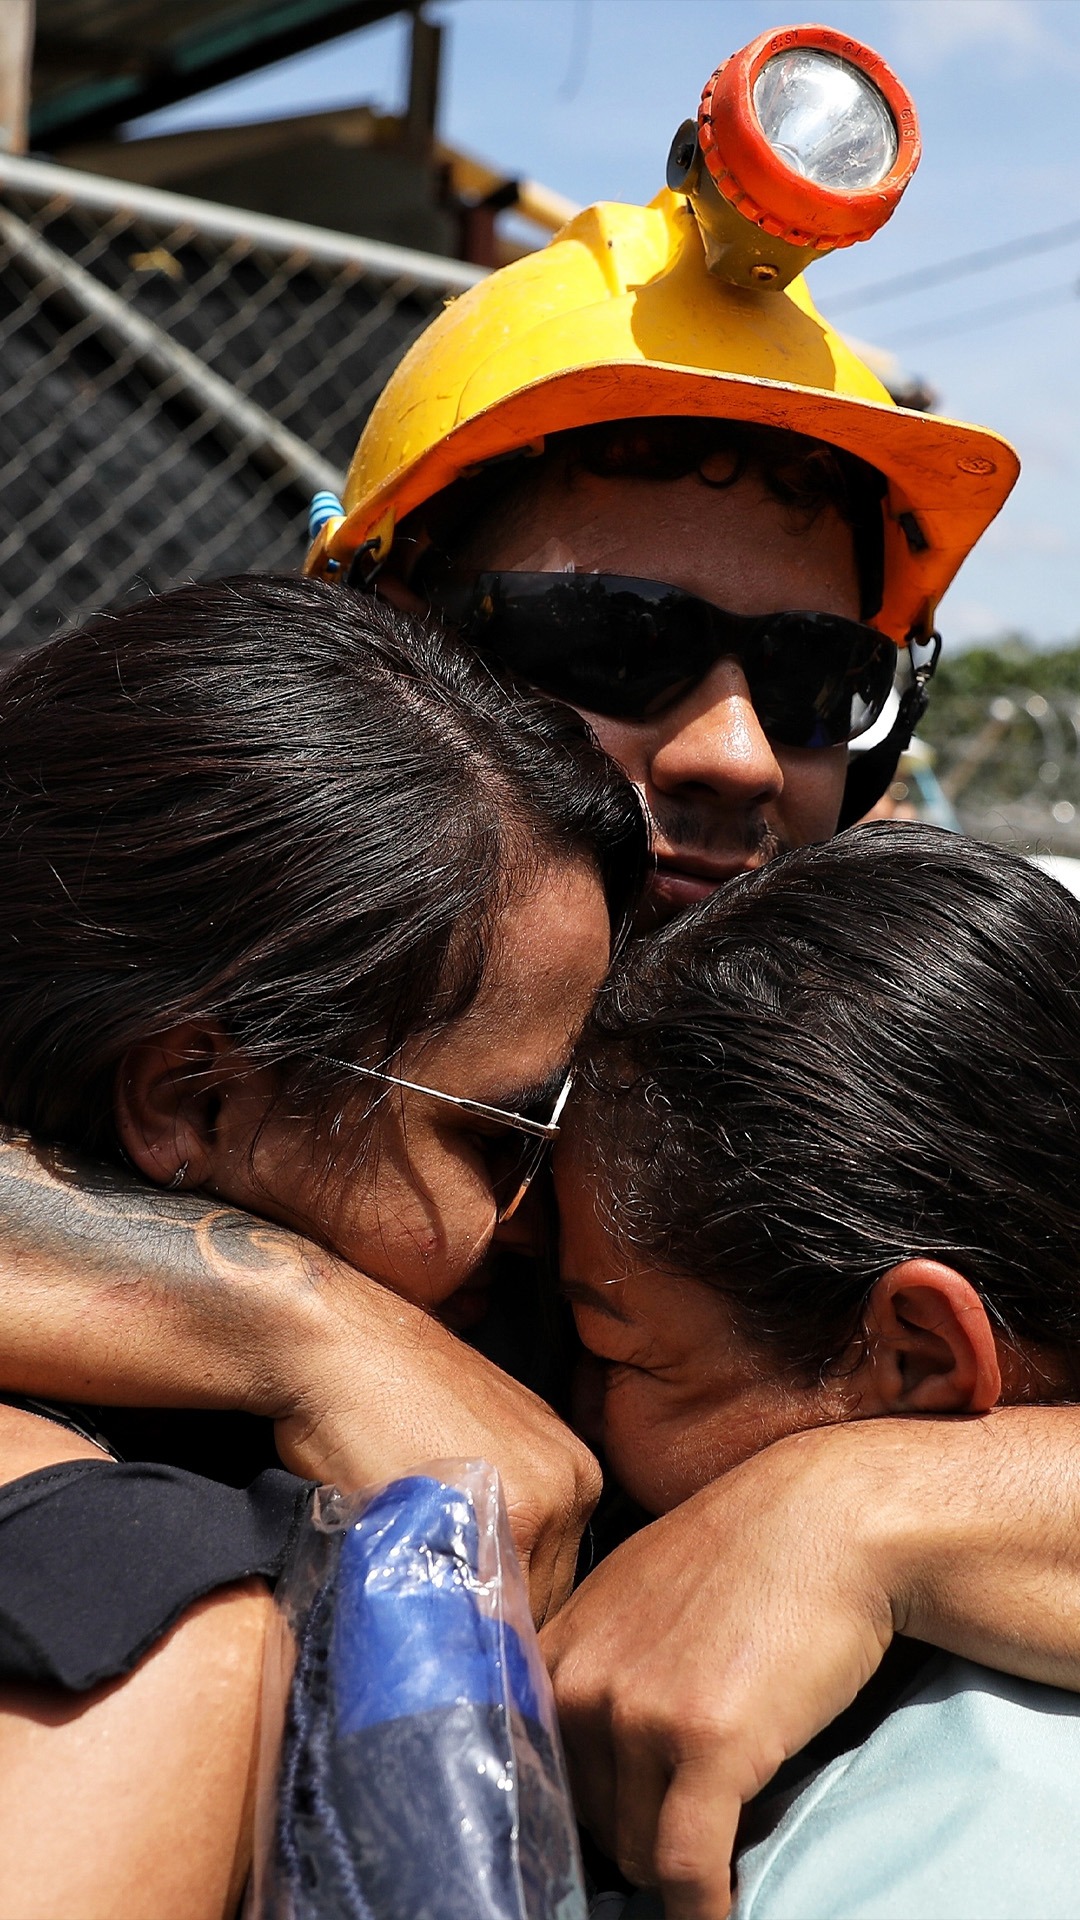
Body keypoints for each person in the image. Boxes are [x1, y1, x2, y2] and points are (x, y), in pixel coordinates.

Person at [0, 24, 1074, 1920]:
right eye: (613, 637)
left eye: (819, 680)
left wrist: (863, 1505)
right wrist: (304, 1332)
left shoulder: (901, 1059)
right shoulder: (204, 1003)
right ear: (383, 655)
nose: (738, 753)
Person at [0, 572, 646, 1918]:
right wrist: (303, 1326)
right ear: (198, 1101)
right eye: (509, 1136)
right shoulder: (140, 1635)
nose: (554, 1219)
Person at [559, 822, 1080, 1918]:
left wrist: (850, 1508)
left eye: (615, 1352)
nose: (566, 1413)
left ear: (917, 1355)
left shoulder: (958, 1840)